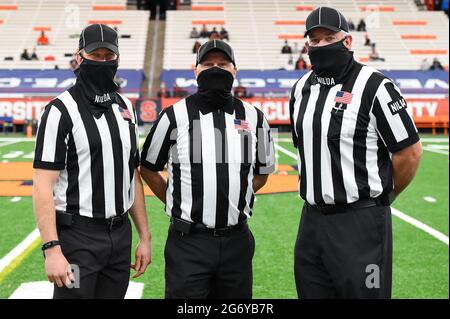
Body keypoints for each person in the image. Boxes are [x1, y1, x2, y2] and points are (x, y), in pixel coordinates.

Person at [289, 6, 422, 299]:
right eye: (315, 40)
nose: (321, 45)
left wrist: (382, 199)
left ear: (347, 41)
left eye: (329, 37)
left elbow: (409, 153)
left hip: (360, 222)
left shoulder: (376, 86)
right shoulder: (300, 89)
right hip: (311, 221)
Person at [140, 40, 275, 299]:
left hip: (237, 239)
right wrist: (175, 198)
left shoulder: (255, 117)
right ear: (196, 70)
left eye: (222, 64)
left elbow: (262, 173)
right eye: (208, 64)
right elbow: (147, 168)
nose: (216, 69)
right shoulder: (173, 116)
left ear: (235, 70)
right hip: (188, 241)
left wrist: (235, 193)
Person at [32, 24, 152, 299]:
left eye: (107, 56)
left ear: (117, 59)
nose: (102, 61)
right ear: (79, 56)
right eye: (94, 55)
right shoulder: (58, 111)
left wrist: (144, 236)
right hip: (78, 238)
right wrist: (52, 249)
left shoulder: (125, 106)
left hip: (120, 236)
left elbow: (131, 175)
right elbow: (42, 184)